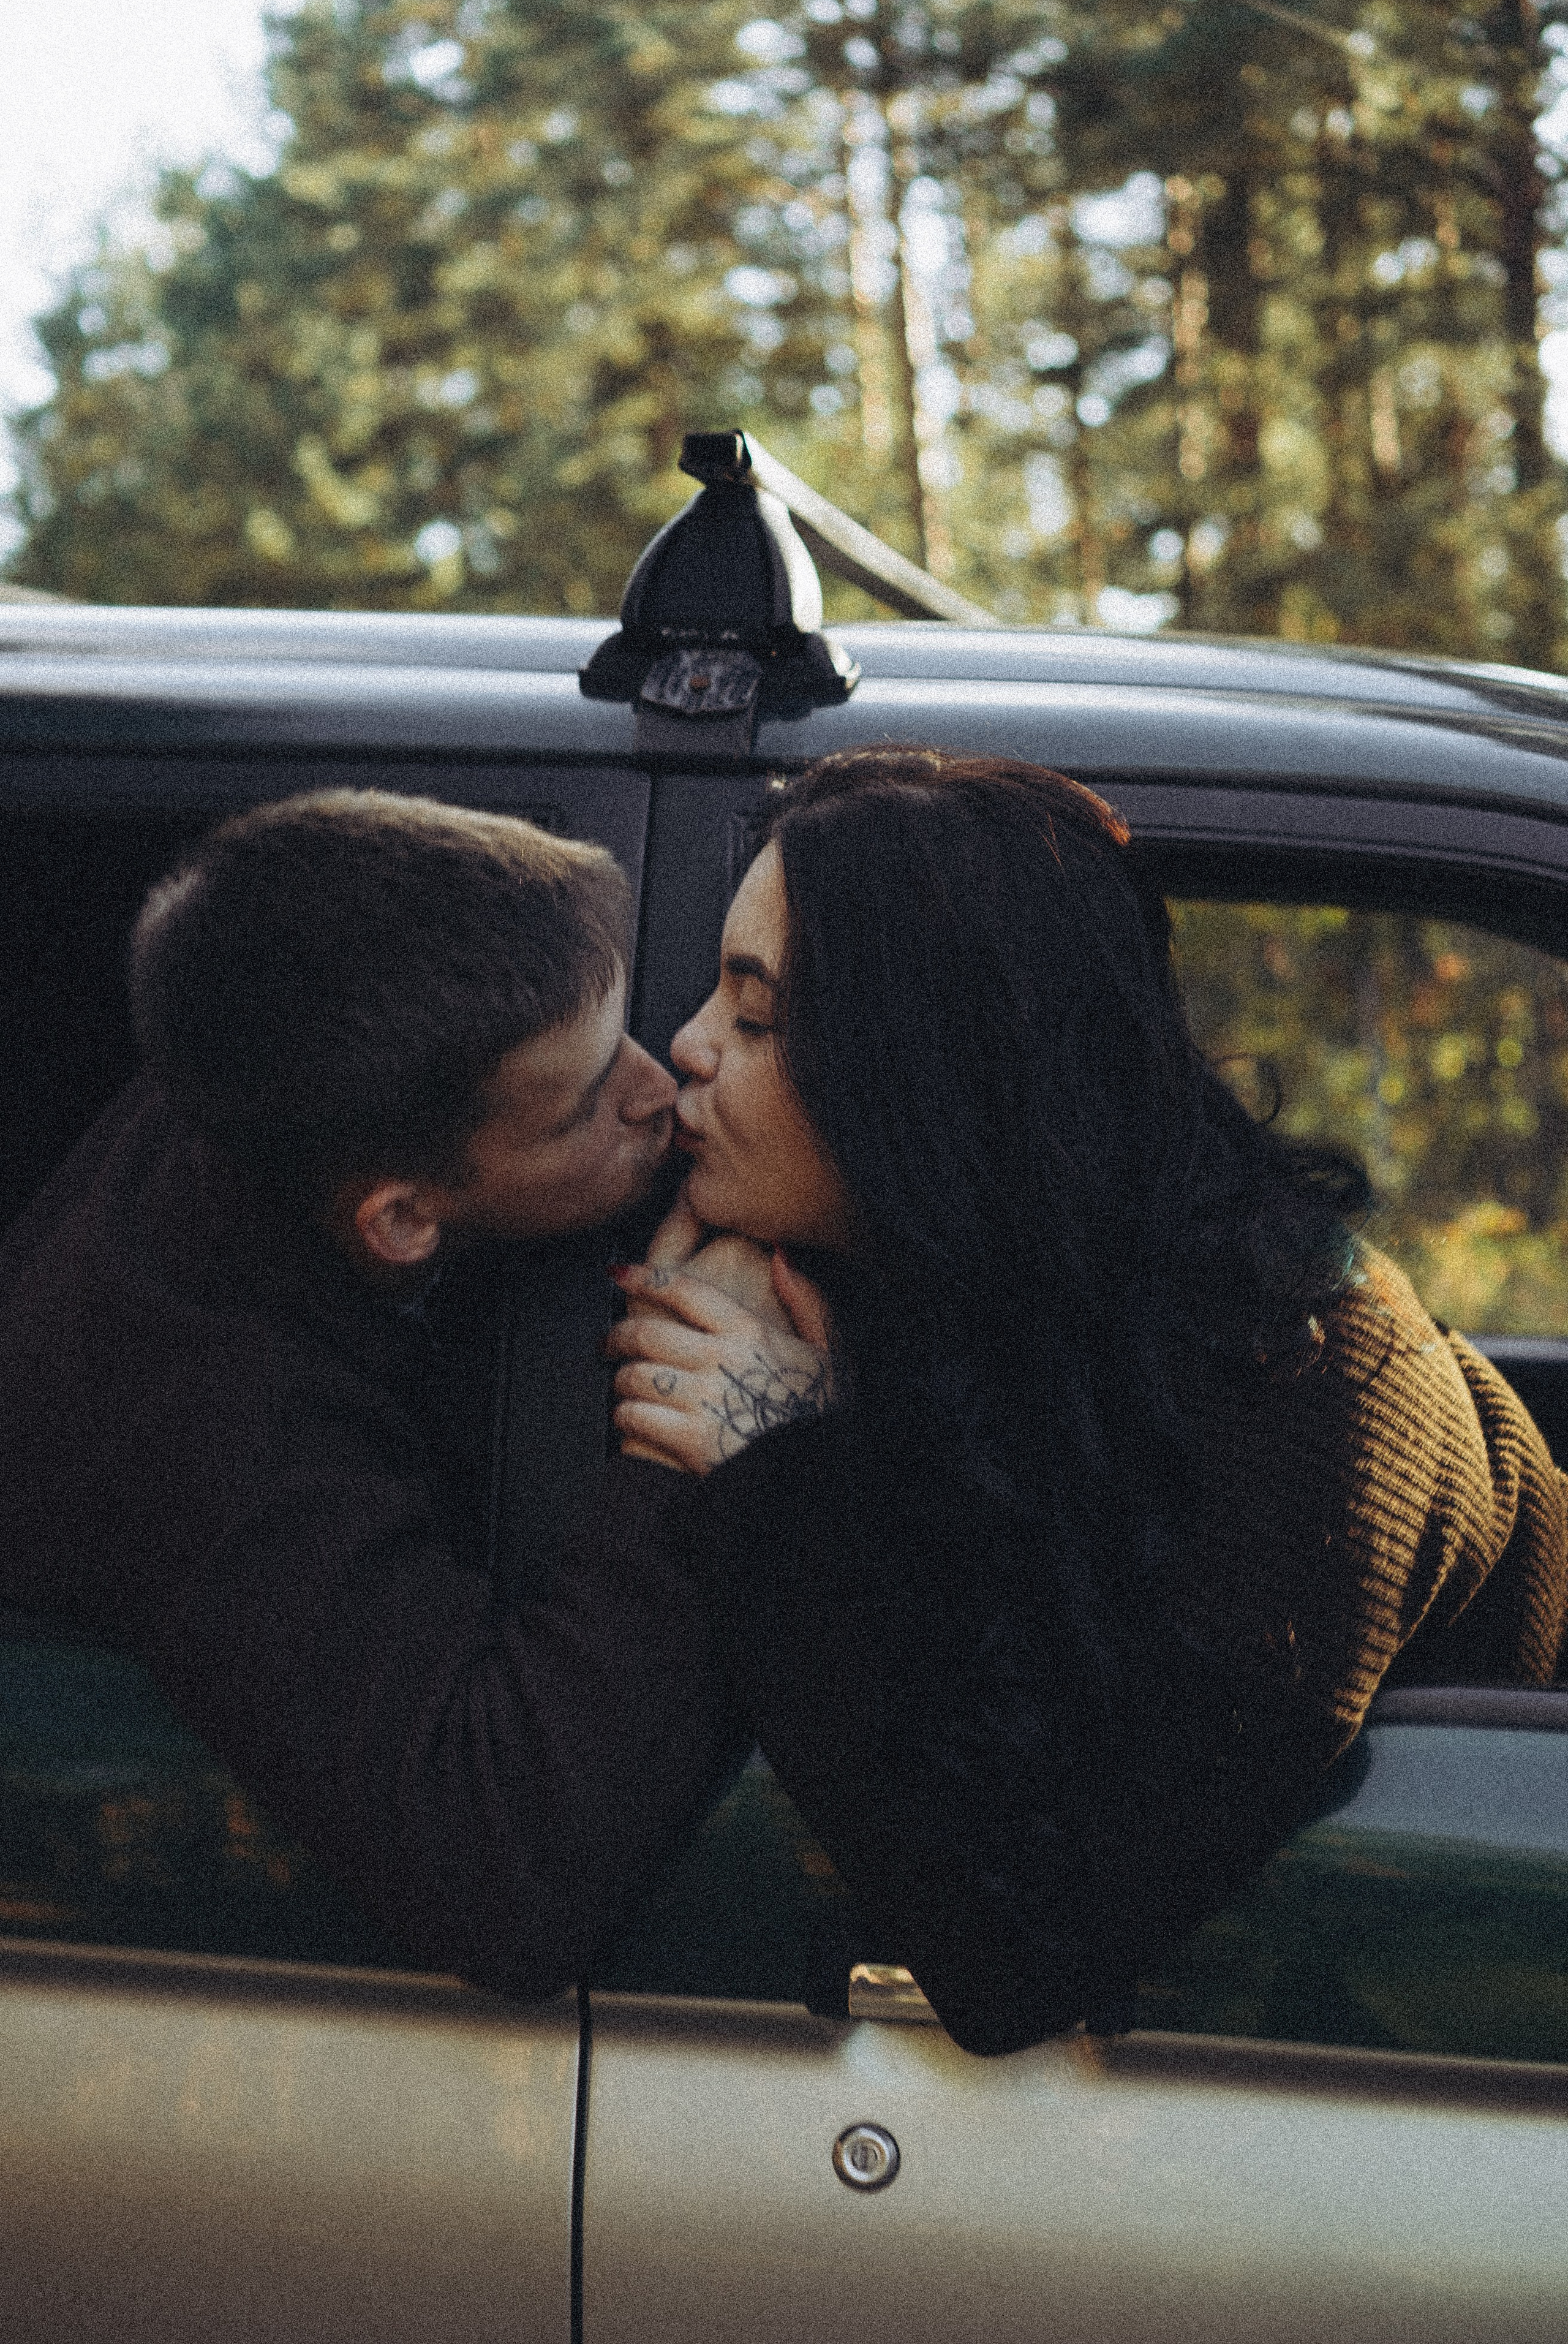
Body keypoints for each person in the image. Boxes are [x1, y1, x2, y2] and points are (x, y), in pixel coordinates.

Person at [606, 746, 1568, 2055]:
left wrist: (778, 1461)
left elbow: (1012, 1956)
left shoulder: (1318, 1384)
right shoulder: (952, 1274)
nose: (684, 1048)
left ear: (938, 1075)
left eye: (758, 1018)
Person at [0, 788, 742, 1992]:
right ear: (401, 1217)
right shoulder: (200, 1420)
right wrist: (690, 1439)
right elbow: (503, 1885)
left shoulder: (304, 1042)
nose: (661, 1090)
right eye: (584, 1099)